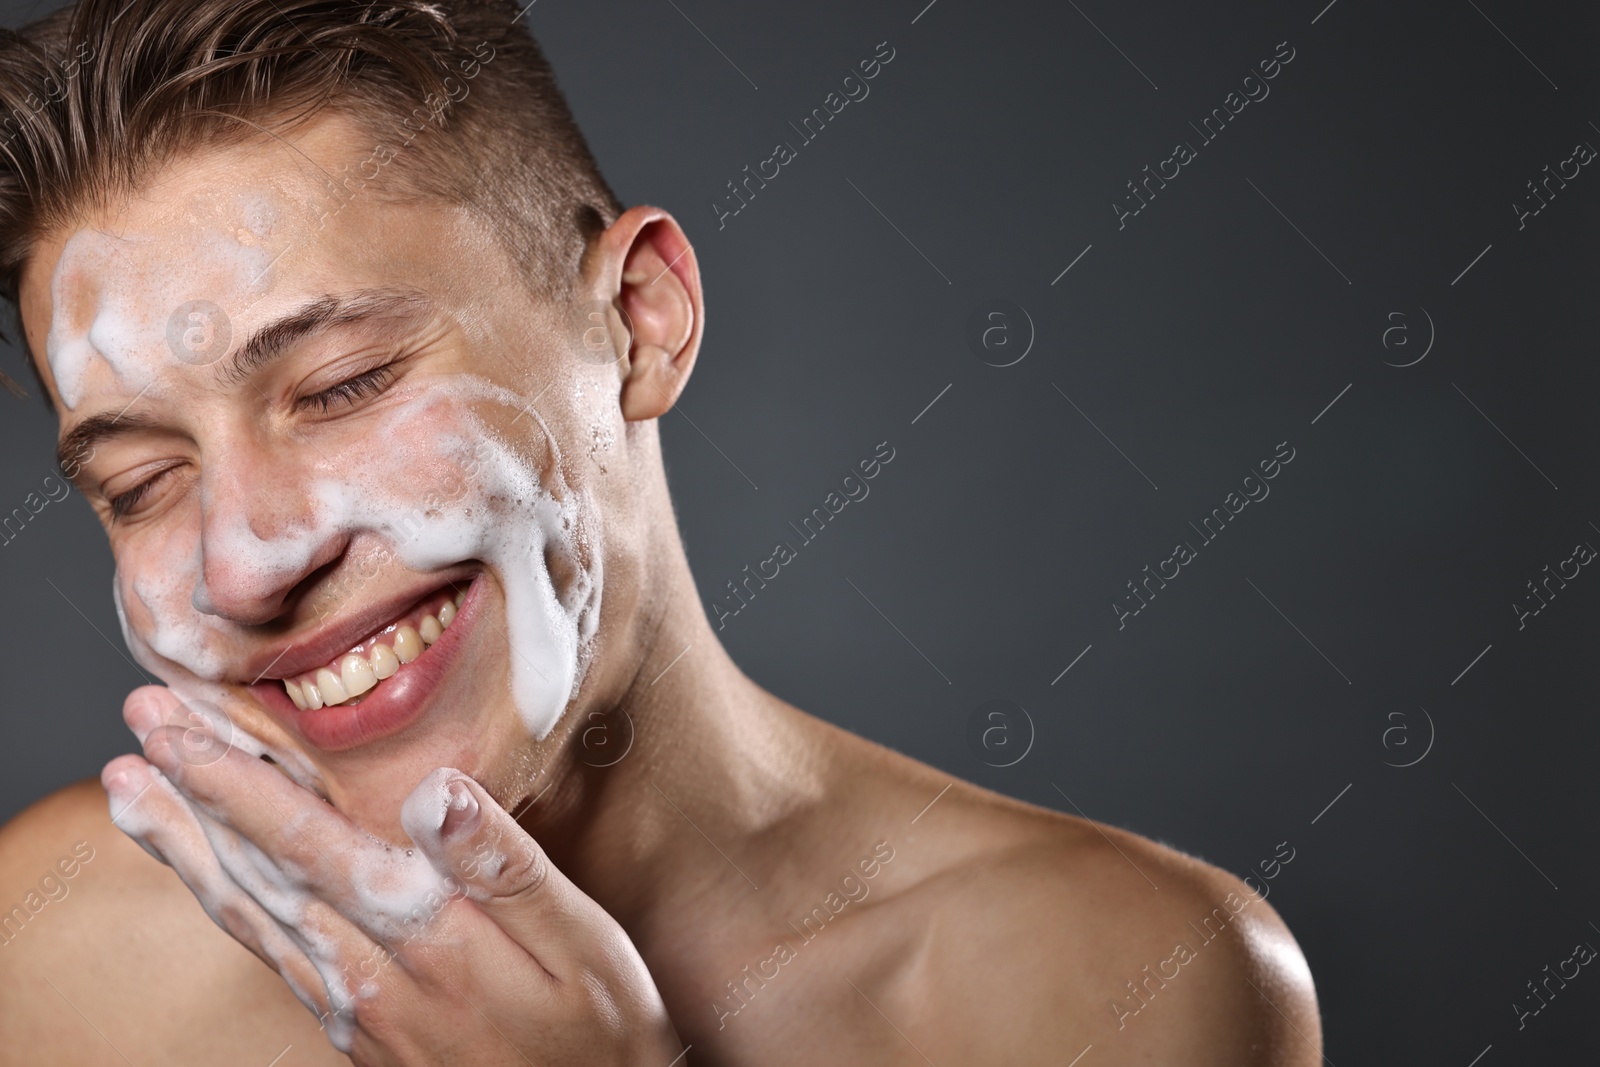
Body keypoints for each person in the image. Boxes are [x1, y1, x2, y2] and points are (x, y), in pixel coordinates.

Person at [0, 1, 1321, 1063]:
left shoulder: (1124, 993)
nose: (246, 563)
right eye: (137, 484)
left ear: (639, 321)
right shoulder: (46, 959)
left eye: (342, 386)